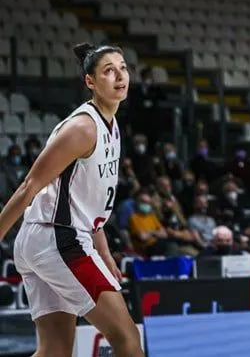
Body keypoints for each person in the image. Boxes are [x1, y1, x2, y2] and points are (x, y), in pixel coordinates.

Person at [0, 43, 143, 357]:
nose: (120, 75)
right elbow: (28, 186)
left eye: (123, 67)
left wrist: (103, 253)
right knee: (129, 340)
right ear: (90, 82)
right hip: (59, 239)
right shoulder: (82, 128)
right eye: (109, 70)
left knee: (55, 350)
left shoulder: (112, 125)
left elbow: (88, 203)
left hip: (45, 239)